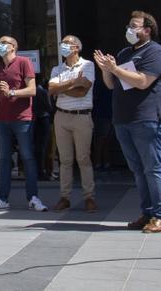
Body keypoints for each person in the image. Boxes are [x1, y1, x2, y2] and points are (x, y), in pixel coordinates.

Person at [93, 10, 161, 234]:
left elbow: (142, 82)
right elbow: (111, 84)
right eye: (129, 25)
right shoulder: (125, 52)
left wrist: (115, 68)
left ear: (147, 30)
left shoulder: (156, 52)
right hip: (123, 118)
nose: (129, 29)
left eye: (134, 25)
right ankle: (147, 213)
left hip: (148, 118)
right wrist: (105, 70)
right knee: (138, 169)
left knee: (152, 167)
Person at [0, 36, 47, 213]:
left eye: (4, 43)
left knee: (27, 157)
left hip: (22, 118)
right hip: (2, 119)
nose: (0, 46)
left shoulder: (24, 62)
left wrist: (11, 92)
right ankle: (2, 199)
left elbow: (32, 90)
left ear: (13, 47)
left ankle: (33, 197)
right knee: (3, 159)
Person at [48, 34, 97, 213]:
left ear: (76, 47)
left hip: (81, 116)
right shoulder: (57, 68)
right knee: (65, 160)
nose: (63, 46)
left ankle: (89, 197)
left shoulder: (88, 65)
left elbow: (83, 91)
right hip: (61, 116)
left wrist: (62, 87)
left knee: (83, 158)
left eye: (67, 43)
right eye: (62, 43)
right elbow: (51, 90)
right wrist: (73, 82)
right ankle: (64, 197)